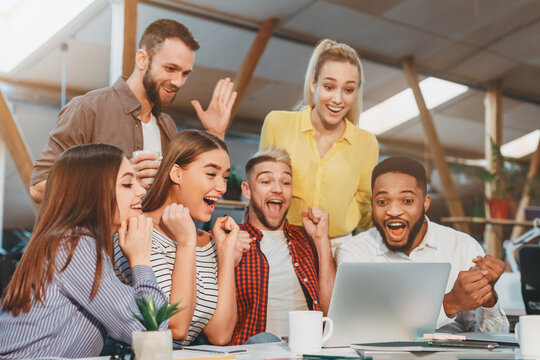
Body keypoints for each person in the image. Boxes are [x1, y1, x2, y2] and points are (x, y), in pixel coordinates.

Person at [30, 18, 237, 203]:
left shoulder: (167, 125)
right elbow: (39, 188)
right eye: (170, 69)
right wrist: (116, 180)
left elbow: (185, 192)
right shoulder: (88, 108)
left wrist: (215, 134)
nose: (178, 81)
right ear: (142, 59)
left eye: (185, 73)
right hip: (95, 245)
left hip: (147, 245)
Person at [0, 144, 167, 359]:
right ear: (93, 193)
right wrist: (141, 260)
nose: (141, 190)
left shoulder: (73, 241)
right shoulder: (73, 244)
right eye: (127, 183)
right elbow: (150, 326)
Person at [335, 156, 509, 333]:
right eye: (382, 202)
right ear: (372, 204)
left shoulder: (463, 247)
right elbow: (358, 329)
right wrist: (449, 304)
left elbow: (494, 338)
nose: (393, 211)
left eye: (407, 201)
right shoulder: (355, 252)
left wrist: (487, 299)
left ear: (425, 203)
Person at [115, 130, 238, 346]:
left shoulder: (208, 243)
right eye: (211, 174)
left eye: (225, 177)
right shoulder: (137, 230)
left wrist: (226, 253)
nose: (222, 187)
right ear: (176, 174)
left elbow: (220, 335)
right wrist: (186, 243)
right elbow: (174, 327)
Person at [259, 39, 379, 248]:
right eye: (329, 86)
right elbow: (259, 190)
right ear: (314, 84)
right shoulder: (277, 123)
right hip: (281, 242)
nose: (337, 99)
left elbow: (366, 208)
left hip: (339, 248)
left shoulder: (366, 143)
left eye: (348, 90)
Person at [230, 147, 335, 345]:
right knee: (264, 340)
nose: (278, 189)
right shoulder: (229, 237)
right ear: (247, 190)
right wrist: (227, 256)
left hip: (310, 348)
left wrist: (322, 241)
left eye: (286, 182)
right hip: (257, 351)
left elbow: (331, 314)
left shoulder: (306, 238)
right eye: (266, 181)